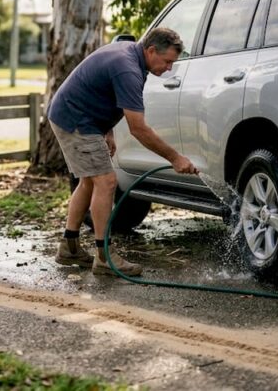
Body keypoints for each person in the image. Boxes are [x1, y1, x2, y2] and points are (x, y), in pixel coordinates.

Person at [48, 27, 199, 276]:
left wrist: (107, 131)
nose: (169, 68)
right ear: (151, 50)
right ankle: (104, 256)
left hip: (77, 115)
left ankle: (69, 247)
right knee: (106, 182)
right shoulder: (128, 68)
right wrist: (175, 158)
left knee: (89, 181)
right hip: (76, 119)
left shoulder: (131, 57)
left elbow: (102, 92)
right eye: (168, 61)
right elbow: (138, 128)